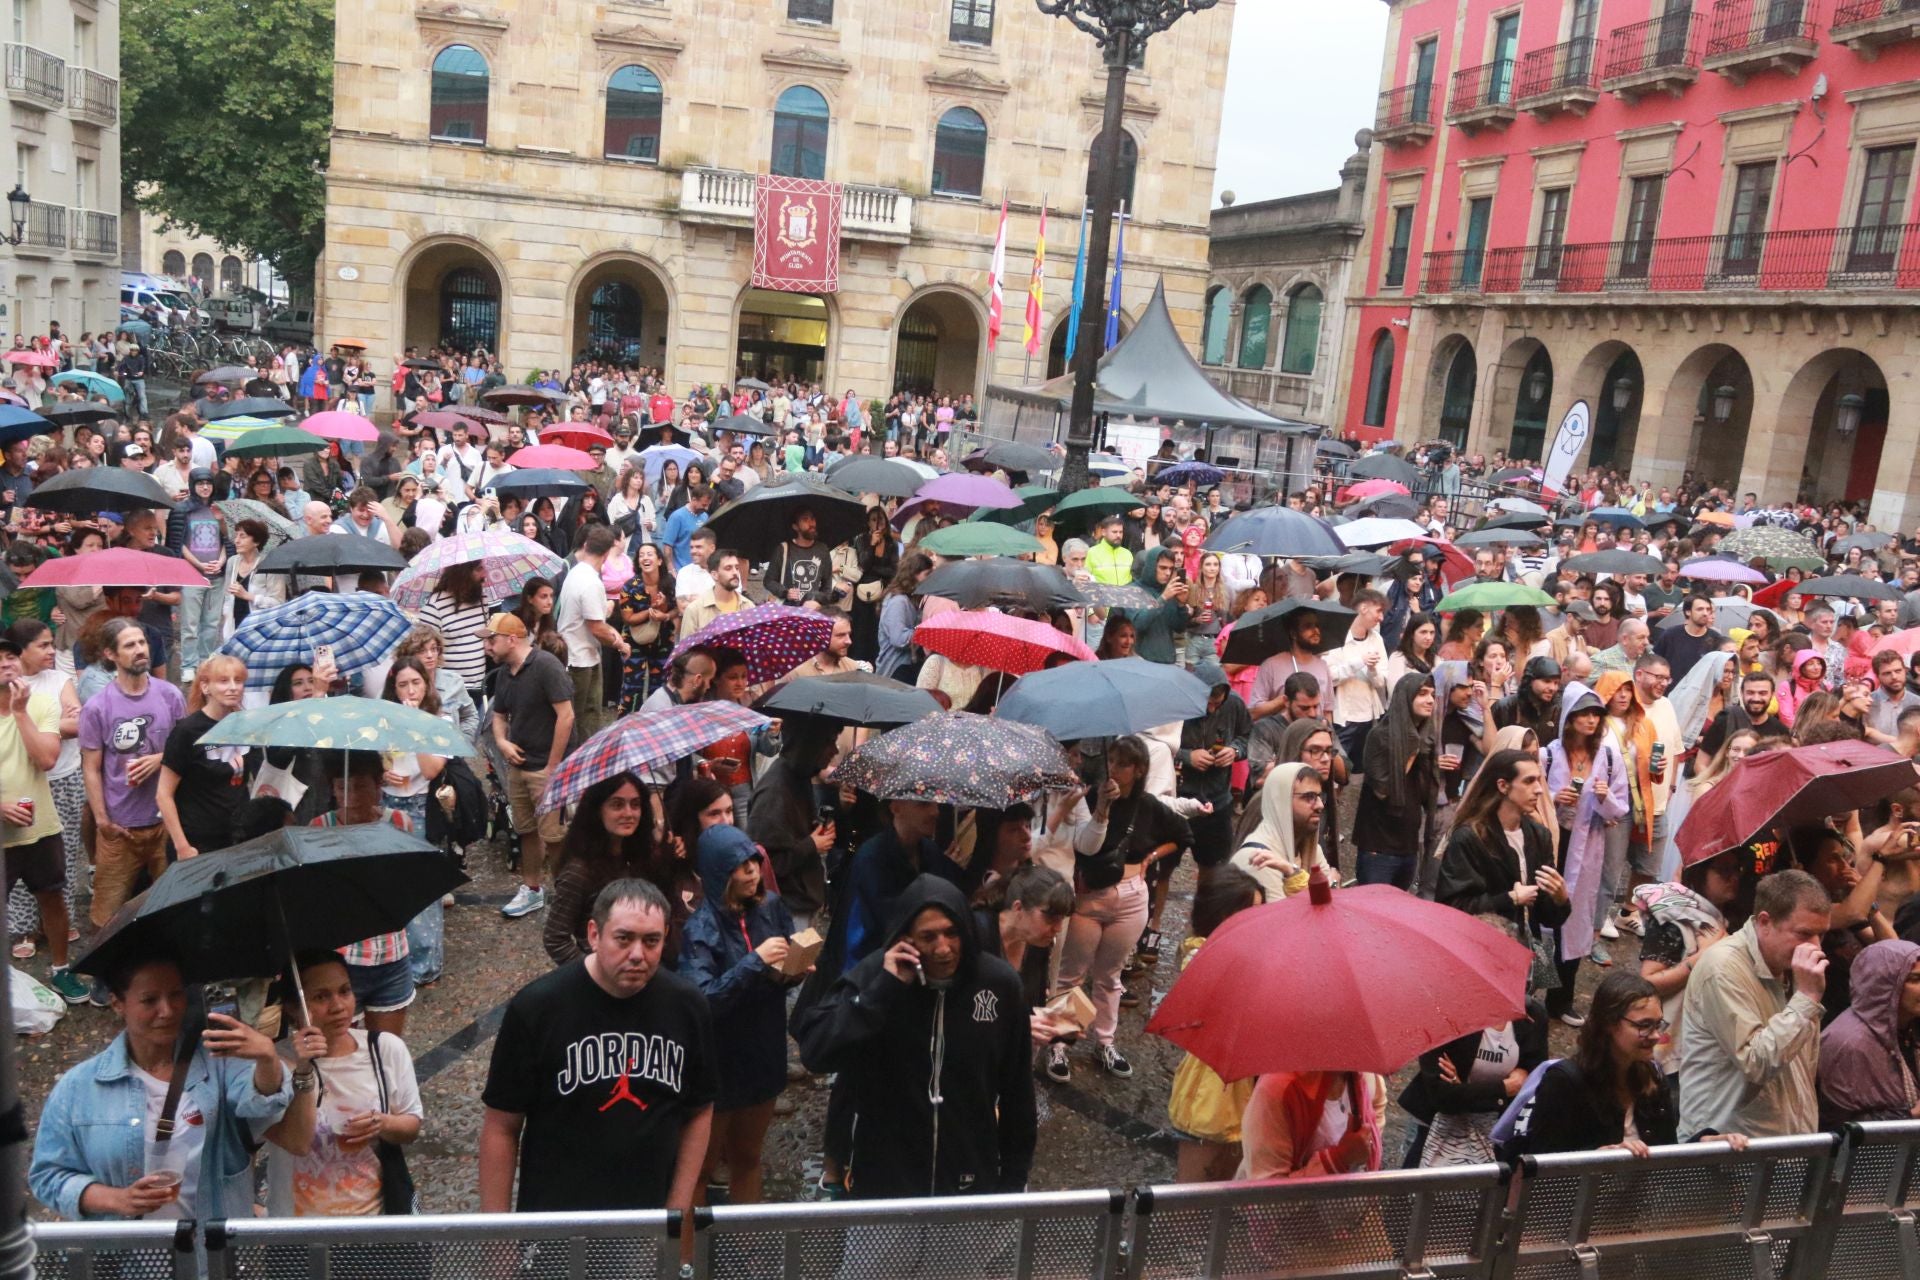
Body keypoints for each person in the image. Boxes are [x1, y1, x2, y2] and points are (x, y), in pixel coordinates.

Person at [791, 874, 1037, 1198]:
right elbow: (816, 1051)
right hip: (885, 1186)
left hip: (969, 1183)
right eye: (928, 936)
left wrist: (1013, 1182)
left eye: (952, 933)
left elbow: (1018, 1091)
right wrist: (881, 992)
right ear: (906, 938)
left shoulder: (999, 985)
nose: (943, 948)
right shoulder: (875, 975)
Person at [480, 879, 717, 1213]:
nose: (638, 954)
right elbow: (502, 1126)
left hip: (647, 1215)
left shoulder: (687, 1006)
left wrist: (678, 1207)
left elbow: (700, 1108)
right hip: (557, 1217)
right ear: (594, 934)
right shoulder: (538, 1007)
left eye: (651, 941)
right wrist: (497, 1236)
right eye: (624, 938)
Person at [29, 955, 295, 1221]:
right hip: (128, 1256)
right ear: (117, 1004)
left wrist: (267, 1058)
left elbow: (262, 1105)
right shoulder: (79, 1087)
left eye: (175, 995)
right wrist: (118, 1199)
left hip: (211, 1250)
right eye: (149, 1000)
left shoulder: (219, 1064)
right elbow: (48, 1177)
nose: (167, 1010)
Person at [1052, 735, 1190, 1082]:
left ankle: (1105, 1041)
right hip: (1090, 894)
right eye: (1112, 761)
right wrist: (1101, 807)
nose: (1115, 768)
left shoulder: (1147, 804)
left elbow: (1184, 834)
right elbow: (1084, 845)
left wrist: (1151, 858)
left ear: (1138, 769)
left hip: (1131, 895)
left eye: (1123, 763)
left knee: (1110, 976)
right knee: (1071, 973)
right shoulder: (1093, 794)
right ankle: (1059, 1043)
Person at [679, 825, 802, 1205]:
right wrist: (755, 962)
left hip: (762, 1055)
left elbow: (776, 974)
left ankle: (745, 1249)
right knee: (699, 1169)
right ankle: (687, 1259)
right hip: (719, 1067)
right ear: (720, 873)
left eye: (753, 862)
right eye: (740, 866)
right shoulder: (700, 928)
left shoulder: (772, 909)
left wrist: (792, 972)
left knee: (749, 1159)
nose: (751, 872)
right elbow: (703, 1000)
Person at [262, 951, 424, 1217]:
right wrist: (303, 1069)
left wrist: (382, 1124)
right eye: (321, 997)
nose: (338, 1006)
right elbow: (292, 1142)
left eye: (345, 991)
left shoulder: (384, 1049)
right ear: (292, 1007)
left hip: (373, 1225)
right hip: (298, 1233)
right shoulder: (274, 1063)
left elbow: (412, 1124)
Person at [1677, 868, 1831, 1140]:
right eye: (1804, 934)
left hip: (1785, 1146)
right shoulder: (1722, 968)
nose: (1816, 947)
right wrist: (1806, 999)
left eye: (1822, 935)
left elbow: (1803, 1067)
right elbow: (1756, 1062)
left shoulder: (1795, 968)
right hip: (1728, 1149)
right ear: (1764, 922)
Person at [1500, 973, 1696, 1158]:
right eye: (1644, 1026)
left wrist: (1704, 1141)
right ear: (1609, 1023)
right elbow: (1542, 1165)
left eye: (1658, 1024)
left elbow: (1667, 1153)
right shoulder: (1564, 1081)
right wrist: (1597, 1157)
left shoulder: (1654, 1077)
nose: (1656, 1036)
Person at [79, 618, 187, 929]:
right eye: (130, 645)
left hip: (166, 822)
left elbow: (188, 750)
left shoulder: (170, 696)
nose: (140, 650)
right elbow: (91, 767)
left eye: (141, 642)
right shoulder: (97, 707)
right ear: (110, 654)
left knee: (175, 909)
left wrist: (160, 759)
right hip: (120, 830)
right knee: (106, 919)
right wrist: (102, 821)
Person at [1166, 867, 1264, 1182]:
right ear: (1222, 916)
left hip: (1248, 1097)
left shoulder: (1251, 956)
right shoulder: (1200, 957)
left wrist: (1294, 876)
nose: (1259, 923)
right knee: (1190, 1205)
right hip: (1209, 1101)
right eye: (1250, 914)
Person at [486, 613, 576, 920]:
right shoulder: (503, 674)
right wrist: (502, 742)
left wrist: (553, 766)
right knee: (525, 829)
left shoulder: (546, 666)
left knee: (555, 836)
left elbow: (567, 716)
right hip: (519, 765)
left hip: (547, 767)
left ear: (511, 639)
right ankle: (532, 889)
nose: (487, 646)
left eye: (491, 639)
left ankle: (567, 896)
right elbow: (498, 715)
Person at [543, 773, 652, 967]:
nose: (629, 813)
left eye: (635, 804)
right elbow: (555, 938)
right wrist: (594, 973)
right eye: (617, 805)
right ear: (597, 810)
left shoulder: (638, 855)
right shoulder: (579, 871)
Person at [1817, 938, 1920, 1126]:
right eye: (1915, 979)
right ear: (1884, 985)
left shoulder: (1909, 1027)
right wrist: (1911, 1115)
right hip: (1865, 1154)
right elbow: (1838, 1127)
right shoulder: (1848, 1043)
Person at [155, 656, 249, 861]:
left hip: (237, 838)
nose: (233, 687)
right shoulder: (187, 731)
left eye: (238, 680)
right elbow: (163, 795)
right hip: (197, 842)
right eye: (224, 681)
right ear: (205, 687)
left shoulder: (246, 725)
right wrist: (182, 847)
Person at [1353, 672, 1437, 890]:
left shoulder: (1426, 739)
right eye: (1423, 694)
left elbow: (1427, 797)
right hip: (1378, 848)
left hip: (1408, 846)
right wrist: (1412, 748)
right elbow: (1383, 789)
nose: (1430, 700)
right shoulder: (1379, 736)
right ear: (1405, 699)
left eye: (1433, 695)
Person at [1235, 1060, 1386, 1179]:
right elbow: (1267, 1200)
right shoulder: (1278, 1090)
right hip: (1294, 1217)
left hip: (1345, 1212)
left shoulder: (1361, 1075)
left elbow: (1377, 1107)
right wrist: (1339, 1159)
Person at [555, 525, 628, 742]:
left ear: (586, 546)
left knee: (583, 717)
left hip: (577, 654)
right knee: (583, 718)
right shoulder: (591, 582)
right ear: (606, 553)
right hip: (580, 659)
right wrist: (620, 643)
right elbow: (596, 628)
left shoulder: (576, 572)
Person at [1653, 594, 1727, 684]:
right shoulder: (1671, 634)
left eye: (1708, 610)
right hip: (1671, 691)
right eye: (1700, 609)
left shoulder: (1716, 638)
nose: (1705, 613)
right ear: (1688, 611)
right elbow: (1655, 661)